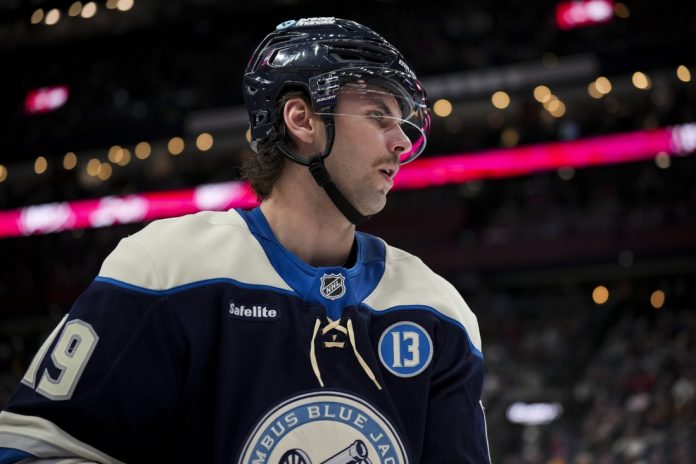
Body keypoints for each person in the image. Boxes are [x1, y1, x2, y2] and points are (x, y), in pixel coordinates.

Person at [0, 17, 490, 463]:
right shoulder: (166, 268)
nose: (402, 141)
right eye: (379, 115)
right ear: (301, 119)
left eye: (402, 123)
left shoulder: (438, 309)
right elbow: (34, 452)